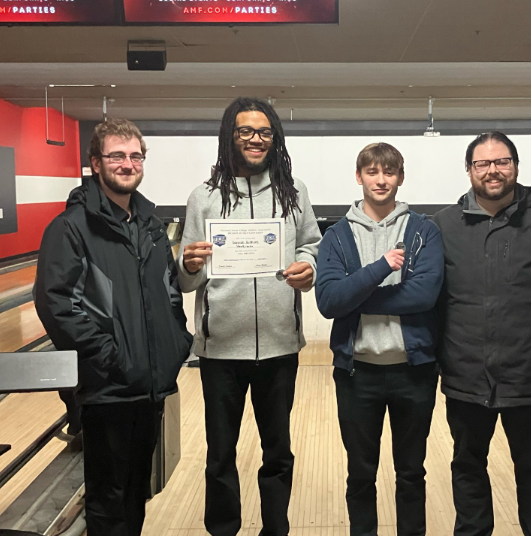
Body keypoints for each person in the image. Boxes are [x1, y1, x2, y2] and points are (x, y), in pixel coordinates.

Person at [34, 118, 193, 536]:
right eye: (117, 155)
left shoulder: (151, 226)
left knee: (136, 494)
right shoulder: (70, 228)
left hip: (150, 385)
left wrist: (176, 343)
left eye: (135, 155)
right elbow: (57, 305)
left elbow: (169, 292)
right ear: (95, 162)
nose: (127, 163)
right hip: (107, 390)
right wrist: (110, 359)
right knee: (107, 505)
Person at [433, 131, 531, 536]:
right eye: (483, 164)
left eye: (501, 162)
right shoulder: (444, 226)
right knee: (467, 467)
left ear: (516, 167)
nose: (493, 171)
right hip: (466, 375)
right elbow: (431, 300)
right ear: (469, 170)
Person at [177, 97, 321, 536]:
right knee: (220, 452)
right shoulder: (203, 198)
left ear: (274, 138)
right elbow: (185, 281)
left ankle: (276, 529)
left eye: (264, 132)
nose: (255, 140)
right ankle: (223, 529)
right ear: (230, 136)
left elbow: (311, 245)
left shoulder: (293, 194)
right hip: (221, 348)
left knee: (278, 451)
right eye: (245, 131)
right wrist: (189, 266)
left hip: (279, 345)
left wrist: (308, 267)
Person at [316, 143, 444, 536]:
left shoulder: (424, 230)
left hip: (414, 371)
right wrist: (378, 269)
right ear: (359, 177)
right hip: (358, 375)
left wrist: (356, 295)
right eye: (372, 172)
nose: (381, 179)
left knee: (410, 473)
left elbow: (424, 295)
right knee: (360, 475)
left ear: (400, 178)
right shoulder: (336, 236)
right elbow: (328, 301)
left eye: (389, 172)